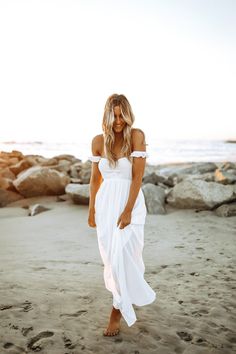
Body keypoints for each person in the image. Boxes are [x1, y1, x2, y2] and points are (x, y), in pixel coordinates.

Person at [88, 93, 156, 336]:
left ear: (127, 114)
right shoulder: (97, 141)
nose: (118, 121)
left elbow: (137, 177)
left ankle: (116, 310)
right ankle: (120, 300)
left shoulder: (137, 136)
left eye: (121, 115)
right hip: (106, 205)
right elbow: (95, 179)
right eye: (114, 115)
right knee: (111, 257)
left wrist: (128, 210)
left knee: (128, 255)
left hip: (130, 204)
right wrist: (91, 209)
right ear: (107, 115)